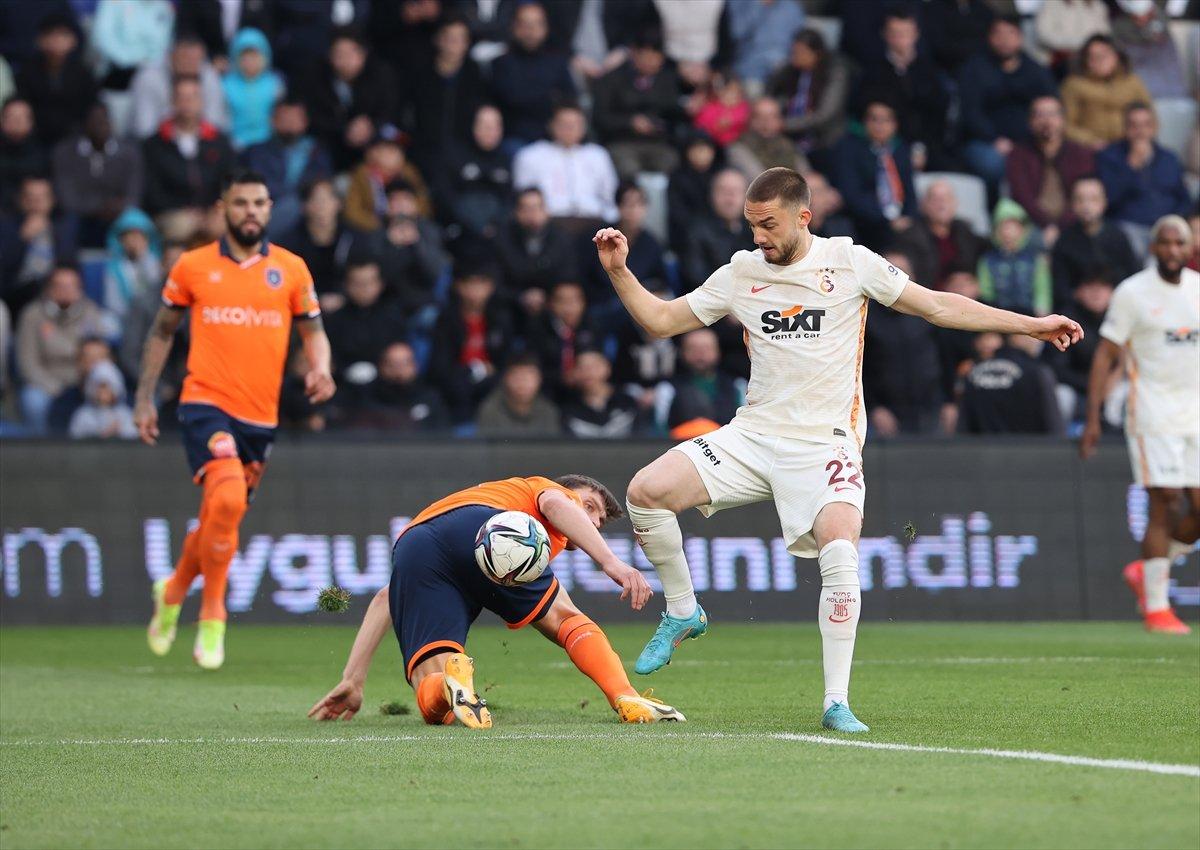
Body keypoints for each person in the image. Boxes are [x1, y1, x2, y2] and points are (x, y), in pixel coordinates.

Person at [591, 166, 1083, 732]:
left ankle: (835, 701)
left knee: (840, 548)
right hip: (753, 433)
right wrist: (620, 272)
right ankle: (682, 610)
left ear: (804, 217)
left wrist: (1030, 325)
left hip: (826, 440)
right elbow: (659, 321)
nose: (758, 237)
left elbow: (939, 306)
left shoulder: (851, 262)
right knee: (645, 492)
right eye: (751, 225)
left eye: (768, 225)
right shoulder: (741, 272)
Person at [137, 169, 335, 670]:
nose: (251, 211)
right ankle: (213, 615)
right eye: (241, 203)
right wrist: (142, 398)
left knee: (219, 516)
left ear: (270, 209)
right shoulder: (193, 266)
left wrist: (322, 368)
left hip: (259, 418)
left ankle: (174, 588)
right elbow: (162, 332)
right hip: (204, 401)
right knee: (224, 496)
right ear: (224, 208)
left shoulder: (290, 269)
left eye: (260, 203)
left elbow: (313, 331)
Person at [308, 474, 683, 727]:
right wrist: (610, 561)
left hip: (416, 545)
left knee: (435, 695)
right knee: (567, 620)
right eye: (590, 507)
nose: (594, 522)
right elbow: (555, 503)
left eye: (600, 520)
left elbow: (386, 597)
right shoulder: (546, 491)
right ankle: (626, 697)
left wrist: (353, 678)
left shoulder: (486, 497)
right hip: (491, 529)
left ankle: (451, 682)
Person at [1080, 215, 1199, 635]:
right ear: (1153, 247)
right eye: (1164, 243)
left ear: (1189, 248)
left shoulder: (1198, 290)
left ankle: (1148, 568)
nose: (1171, 250)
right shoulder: (1133, 293)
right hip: (1152, 411)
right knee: (1165, 500)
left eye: (1179, 243)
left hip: (1195, 412)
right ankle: (1157, 608)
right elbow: (1104, 356)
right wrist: (1092, 418)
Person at [957, 16, 1056, 199]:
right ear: (989, 38)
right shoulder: (975, 69)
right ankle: (999, 214)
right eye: (998, 34)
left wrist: (1033, 139)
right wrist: (995, 139)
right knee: (994, 164)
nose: (1004, 40)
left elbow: (1051, 106)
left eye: (1010, 34)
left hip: (1031, 141)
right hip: (986, 142)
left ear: (1020, 37)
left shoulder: (1035, 70)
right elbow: (970, 112)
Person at [15, 265, 114, 434]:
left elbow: (101, 356)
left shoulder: (90, 312)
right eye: (60, 286)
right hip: (47, 384)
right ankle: (38, 451)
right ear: (49, 289)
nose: (66, 291)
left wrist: (87, 385)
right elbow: (27, 363)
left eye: (71, 286)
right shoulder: (32, 315)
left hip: (83, 384)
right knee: (33, 401)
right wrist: (55, 388)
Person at [141, 76, 236, 237]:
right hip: (172, 213)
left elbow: (230, 181)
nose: (187, 103)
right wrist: (185, 210)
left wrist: (216, 209)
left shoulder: (219, 141)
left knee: (225, 225)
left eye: (192, 97)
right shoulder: (154, 144)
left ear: (201, 101)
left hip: (213, 211)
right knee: (182, 226)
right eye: (182, 98)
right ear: (172, 102)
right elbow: (151, 191)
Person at [1096, 103, 1192, 255]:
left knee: (1173, 244)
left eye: (1146, 125)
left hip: (1165, 227)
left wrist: (1174, 221)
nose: (1140, 131)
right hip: (1129, 226)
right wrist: (1131, 169)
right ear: (1125, 128)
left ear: (1154, 127)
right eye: (1134, 125)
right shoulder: (1110, 157)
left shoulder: (1169, 158)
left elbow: (1184, 199)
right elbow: (1108, 201)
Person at [860, 8, 949, 170]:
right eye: (894, 33)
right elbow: (865, 110)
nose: (899, 39)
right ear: (885, 34)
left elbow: (937, 115)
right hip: (881, 144)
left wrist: (921, 147)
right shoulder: (872, 71)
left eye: (905, 33)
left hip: (925, 145)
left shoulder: (930, 71)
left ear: (916, 34)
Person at [512, 103, 618, 232]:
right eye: (564, 124)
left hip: (592, 222)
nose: (570, 129)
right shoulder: (531, 155)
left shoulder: (598, 155)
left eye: (575, 124)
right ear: (551, 125)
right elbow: (524, 198)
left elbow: (611, 196)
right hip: (550, 224)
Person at [303, 27, 397, 172]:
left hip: (372, 139)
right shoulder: (317, 77)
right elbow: (313, 116)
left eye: (350, 53)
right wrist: (344, 129)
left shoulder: (381, 75)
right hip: (332, 144)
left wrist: (371, 125)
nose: (344, 60)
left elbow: (389, 109)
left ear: (362, 54)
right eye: (338, 54)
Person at [829, 98, 917, 252]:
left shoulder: (901, 151)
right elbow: (852, 194)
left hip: (900, 221)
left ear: (895, 124)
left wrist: (909, 217)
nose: (879, 125)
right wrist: (886, 220)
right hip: (866, 222)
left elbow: (909, 191)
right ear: (865, 122)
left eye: (886, 120)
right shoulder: (850, 148)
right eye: (874, 119)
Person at [51, 102, 144, 248]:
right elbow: (67, 199)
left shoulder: (128, 154)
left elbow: (133, 195)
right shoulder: (65, 153)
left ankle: (133, 268)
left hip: (117, 215)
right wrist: (100, 207)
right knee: (66, 222)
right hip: (81, 216)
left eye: (104, 120)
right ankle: (67, 267)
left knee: (136, 221)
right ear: (85, 124)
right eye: (95, 121)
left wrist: (118, 207)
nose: (100, 126)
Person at [1005, 96, 1096, 245]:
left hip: (1074, 222)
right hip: (1033, 223)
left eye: (1053, 114)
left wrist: (1059, 227)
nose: (1047, 121)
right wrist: (1047, 225)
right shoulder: (1019, 154)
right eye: (1040, 115)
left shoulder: (1080, 153)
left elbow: (1082, 194)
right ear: (1031, 122)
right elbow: (1021, 196)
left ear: (1063, 120)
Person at [428, 264, 513, 424]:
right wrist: (470, 371)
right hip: (457, 386)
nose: (475, 290)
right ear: (459, 286)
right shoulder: (447, 320)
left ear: (490, 287)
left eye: (481, 284)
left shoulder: (500, 319)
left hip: (491, 384)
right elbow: (439, 366)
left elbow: (505, 360)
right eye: (470, 284)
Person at [591, 29, 682, 178]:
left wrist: (657, 124)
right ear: (634, 53)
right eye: (646, 55)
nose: (651, 62)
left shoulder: (668, 81)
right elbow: (600, 117)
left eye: (656, 56)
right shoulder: (611, 80)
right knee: (627, 167)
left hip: (658, 143)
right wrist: (630, 122)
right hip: (622, 142)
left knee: (671, 162)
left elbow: (674, 115)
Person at [239, 98, 332, 238]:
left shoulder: (316, 152)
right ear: (273, 121)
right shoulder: (255, 153)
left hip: (309, 212)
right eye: (284, 118)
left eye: (295, 118)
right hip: (269, 211)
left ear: (305, 122)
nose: (290, 124)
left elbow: (321, 181)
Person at [488, 2, 576, 146]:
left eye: (536, 25)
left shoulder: (557, 62)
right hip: (513, 138)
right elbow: (510, 99)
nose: (531, 31)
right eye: (525, 25)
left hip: (554, 139)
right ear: (514, 27)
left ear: (545, 28)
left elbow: (569, 100)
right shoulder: (501, 64)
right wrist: (547, 96)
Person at [277, 179, 372, 308]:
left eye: (327, 199)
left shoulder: (354, 238)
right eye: (315, 200)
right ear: (304, 206)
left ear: (338, 203)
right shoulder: (289, 243)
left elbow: (364, 278)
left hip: (348, 306)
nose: (321, 206)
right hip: (302, 306)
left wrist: (344, 297)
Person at [1051, 177, 1138, 308]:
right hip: (1077, 310)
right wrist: (1080, 295)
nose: (1086, 205)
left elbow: (1132, 276)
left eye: (1093, 199)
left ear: (1104, 202)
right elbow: (1060, 286)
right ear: (1072, 204)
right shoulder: (1064, 241)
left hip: (1116, 305)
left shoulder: (1119, 237)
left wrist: (1111, 294)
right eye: (1080, 199)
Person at [0, 176, 79, 318]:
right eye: (30, 198)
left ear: (52, 201)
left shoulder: (63, 229)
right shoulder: (7, 228)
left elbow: (70, 266)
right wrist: (22, 239)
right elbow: (5, 271)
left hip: (56, 294)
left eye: (41, 198)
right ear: (21, 201)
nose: (36, 203)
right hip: (17, 297)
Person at [14, 12, 97, 147]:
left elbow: (91, 108)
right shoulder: (27, 73)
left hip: (76, 140)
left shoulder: (84, 74)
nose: (56, 40)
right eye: (51, 34)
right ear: (39, 40)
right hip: (34, 140)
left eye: (62, 34)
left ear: (74, 40)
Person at [957, 330, 1064, 435]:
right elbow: (1053, 425)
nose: (1038, 341)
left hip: (979, 449)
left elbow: (962, 428)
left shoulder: (973, 372)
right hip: (1028, 448)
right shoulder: (1038, 372)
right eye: (1035, 333)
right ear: (1015, 335)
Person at [1061, 35, 1151, 151]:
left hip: (1128, 146)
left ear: (1116, 56)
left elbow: (1150, 116)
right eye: (1092, 57)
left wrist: (1138, 137)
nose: (1099, 61)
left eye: (1104, 55)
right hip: (1089, 149)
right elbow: (1064, 124)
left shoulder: (1132, 82)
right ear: (1085, 60)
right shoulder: (1073, 85)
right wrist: (1089, 141)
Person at [323, 260, 408, 383]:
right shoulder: (334, 320)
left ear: (380, 284)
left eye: (368, 283)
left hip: (385, 385)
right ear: (346, 285)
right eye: (357, 283)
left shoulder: (394, 318)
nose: (363, 289)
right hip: (342, 384)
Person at [891, 180, 988, 289]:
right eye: (935, 199)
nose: (941, 203)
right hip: (924, 295)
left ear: (955, 203)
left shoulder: (964, 231)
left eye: (946, 198)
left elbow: (990, 247)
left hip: (959, 296)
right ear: (924, 204)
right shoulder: (910, 234)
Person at [582, 183, 665, 309]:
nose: (635, 210)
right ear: (619, 207)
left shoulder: (652, 244)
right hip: (605, 304)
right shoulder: (603, 237)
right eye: (629, 205)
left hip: (640, 306)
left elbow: (660, 281)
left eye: (640, 204)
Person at [129, 34, 227, 140]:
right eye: (186, 58)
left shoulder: (208, 75)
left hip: (199, 144)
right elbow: (144, 129)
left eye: (196, 60)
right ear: (172, 56)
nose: (191, 65)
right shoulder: (148, 78)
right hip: (156, 146)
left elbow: (215, 122)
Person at [766, 29, 849, 154]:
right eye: (793, 52)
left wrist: (784, 124)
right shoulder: (789, 70)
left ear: (817, 53)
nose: (795, 56)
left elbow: (824, 115)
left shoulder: (834, 73)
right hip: (790, 135)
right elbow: (772, 94)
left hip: (824, 138)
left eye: (801, 52)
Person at [342, 341, 448, 432]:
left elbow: (442, 432)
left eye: (405, 364)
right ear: (381, 367)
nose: (399, 370)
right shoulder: (367, 397)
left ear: (415, 366)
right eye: (392, 365)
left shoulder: (429, 397)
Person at [441, 103, 511, 238]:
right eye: (485, 126)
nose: (490, 131)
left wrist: (495, 226)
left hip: (498, 232)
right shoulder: (455, 156)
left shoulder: (506, 159)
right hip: (464, 230)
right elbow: (447, 196)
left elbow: (510, 200)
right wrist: (477, 226)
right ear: (473, 126)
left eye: (495, 126)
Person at [493, 187, 578, 298]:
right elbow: (499, 281)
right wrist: (521, 296)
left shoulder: (561, 238)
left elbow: (568, 277)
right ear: (516, 212)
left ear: (546, 211)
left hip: (552, 301)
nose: (533, 214)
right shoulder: (503, 239)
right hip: (513, 302)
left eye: (537, 208)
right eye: (526, 209)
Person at [977, 199, 1052, 316]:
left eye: (1013, 226)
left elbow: (1042, 292)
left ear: (1023, 229)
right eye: (1003, 226)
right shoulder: (988, 261)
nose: (1007, 232)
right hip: (999, 316)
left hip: (1028, 316)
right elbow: (986, 293)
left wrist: (1042, 316)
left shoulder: (1035, 260)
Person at [681, 168, 752, 292]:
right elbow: (694, 277)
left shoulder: (755, 229)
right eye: (723, 190)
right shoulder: (696, 230)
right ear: (712, 194)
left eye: (736, 191)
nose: (730, 198)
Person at [343, 136, 432, 232]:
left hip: (411, 225)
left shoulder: (408, 172)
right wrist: (379, 226)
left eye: (397, 150)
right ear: (374, 153)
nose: (395, 154)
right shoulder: (361, 175)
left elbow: (424, 201)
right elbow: (352, 211)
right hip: (375, 231)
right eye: (389, 150)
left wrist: (411, 212)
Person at [665, 327, 743, 434]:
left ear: (718, 352)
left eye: (706, 348)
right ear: (683, 352)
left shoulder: (738, 386)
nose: (700, 354)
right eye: (693, 348)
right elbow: (660, 432)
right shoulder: (667, 389)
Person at [220, 28, 284, 151]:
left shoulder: (275, 85)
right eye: (245, 56)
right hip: (234, 144)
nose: (249, 61)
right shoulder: (225, 85)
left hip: (267, 144)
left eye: (254, 56)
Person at [728, 0, 806, 93]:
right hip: (751, 73)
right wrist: (758, 5)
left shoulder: (792, 8)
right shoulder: (741, 3)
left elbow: (801, 41)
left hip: (783, 75)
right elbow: (736, 33)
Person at [476, 353, 561, 437]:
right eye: (517, 376)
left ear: (539, 379)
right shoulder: (490, 410)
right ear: (506, 378)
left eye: (528, 377)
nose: (522, 382)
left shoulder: (548, 411)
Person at [561, 349, 640, 439]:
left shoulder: (628, 404)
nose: (588, 372)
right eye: (581, 368)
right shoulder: (568, 410)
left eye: (594, 367)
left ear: (607, 368)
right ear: (574, 373)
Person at [727, 97, 808, 181]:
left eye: (773, 117)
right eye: (759, 117)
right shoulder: (738, 148)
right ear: (750, 121)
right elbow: (760, 181)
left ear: (780, 121)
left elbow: (806, 176)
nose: (766, 123)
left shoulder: (788, 145)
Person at [103, 208, 162, 321]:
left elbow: (157, 289)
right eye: (129, 236)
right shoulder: (114, 268)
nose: (134, 241)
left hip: (153, 314)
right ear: (120, 240)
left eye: (139, 236)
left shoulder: (156, 263)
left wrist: (143, 257)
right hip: (125, 317)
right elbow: (113, 303)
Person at [68, 359, 138, 440]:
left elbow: (132, 435)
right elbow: (75, 436)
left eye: (106, 388)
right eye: (99, 388)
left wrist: (118, 431)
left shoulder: (124, 414)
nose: (102, 393)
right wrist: (103, 435)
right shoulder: (83, 414)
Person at [0, 97, 47, 211]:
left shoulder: (44, 154)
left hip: (32, 214)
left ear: (31, 121)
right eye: (12, 117)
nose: (17, 122)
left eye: (21, 117)